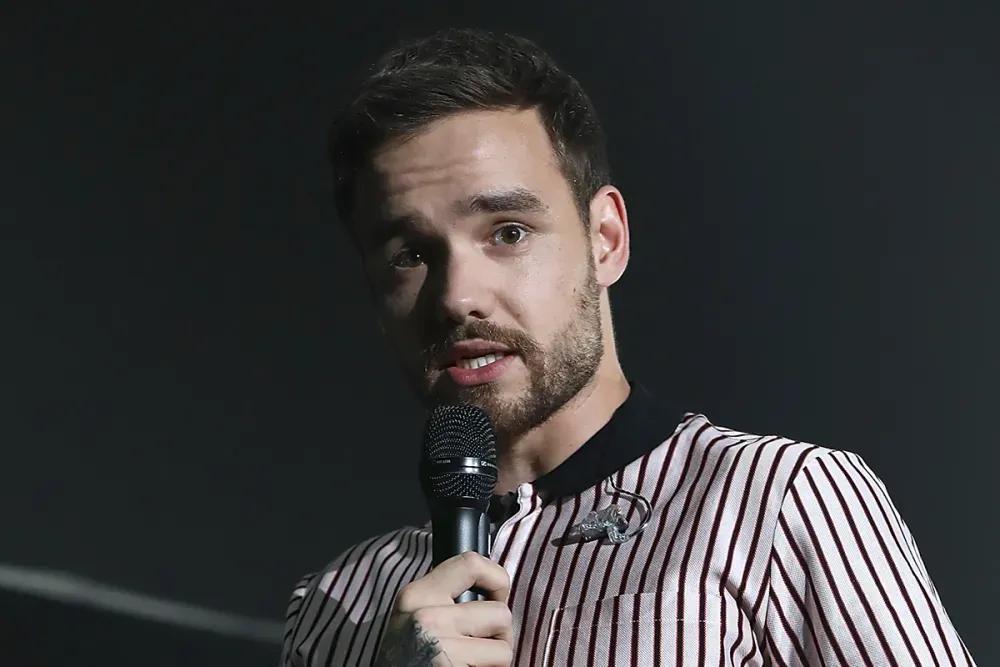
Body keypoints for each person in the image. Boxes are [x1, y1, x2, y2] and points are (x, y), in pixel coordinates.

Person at [280, 28, 975, 667]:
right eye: (409, 254)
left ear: (605, 239)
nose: (458, 296)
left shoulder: (778, 501)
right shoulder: (336, 603)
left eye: (508, 231)